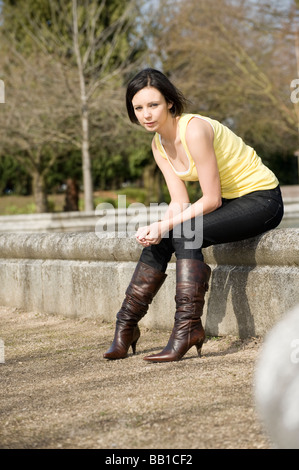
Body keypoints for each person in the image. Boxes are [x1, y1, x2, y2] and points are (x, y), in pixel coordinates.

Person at [103, 68, 284, 362]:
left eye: (153, 105)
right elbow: (179, 202)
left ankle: (187, 328)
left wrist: (165, 224)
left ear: (170, 103)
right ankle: (126, 326)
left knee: (187, 234)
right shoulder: (158, 145)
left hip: (262, 200)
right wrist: (158, 228)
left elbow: (211, 200)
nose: (146, 114)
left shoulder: (195, 130)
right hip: (230, 203)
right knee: (162, 239)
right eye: (138, 108)